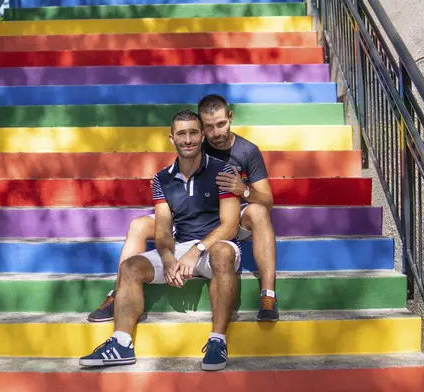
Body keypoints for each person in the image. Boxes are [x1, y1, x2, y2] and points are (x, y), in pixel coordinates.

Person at [87, 94, 278, 323]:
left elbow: (268, 200)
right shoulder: (194, 141)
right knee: (138, 225)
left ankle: (268, 294)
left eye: (221, 124)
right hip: (192, 215)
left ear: (230, 118)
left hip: (231, 213)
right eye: (208, 127)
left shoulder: (248, 151)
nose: (216, 133)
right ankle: (117, 293)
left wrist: (243, 190)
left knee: (259, 211)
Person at [79, 109, 242, 371]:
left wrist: (197, 250)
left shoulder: (222, 170)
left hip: (214, 247)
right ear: (172, 138)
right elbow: (164, 228)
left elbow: (230, 226)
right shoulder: (161, 178)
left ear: (202, 136)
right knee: (130, 266)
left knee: (223, 252)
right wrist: (167, 257)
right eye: (181, 134)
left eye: (192, 133)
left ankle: (217, 341)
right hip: (181, 245)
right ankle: (121, 343)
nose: (187, 139)